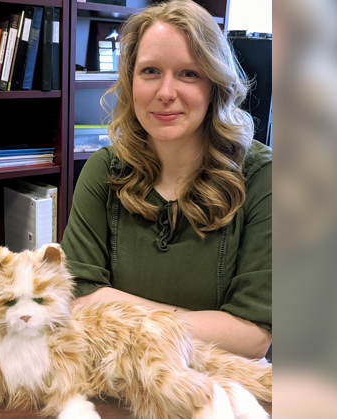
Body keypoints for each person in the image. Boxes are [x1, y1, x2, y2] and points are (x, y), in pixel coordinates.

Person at [61, 0, 271, 360]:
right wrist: (212, 327)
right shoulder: (104, 170)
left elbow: (251, 338)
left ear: (215, 84)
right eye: (150, 71)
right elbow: (79, 301)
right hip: (119, 377)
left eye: (189, 73)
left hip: (220, 390)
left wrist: (115, 305)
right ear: (130, 81)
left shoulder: (262, 177)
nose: (166, 92)